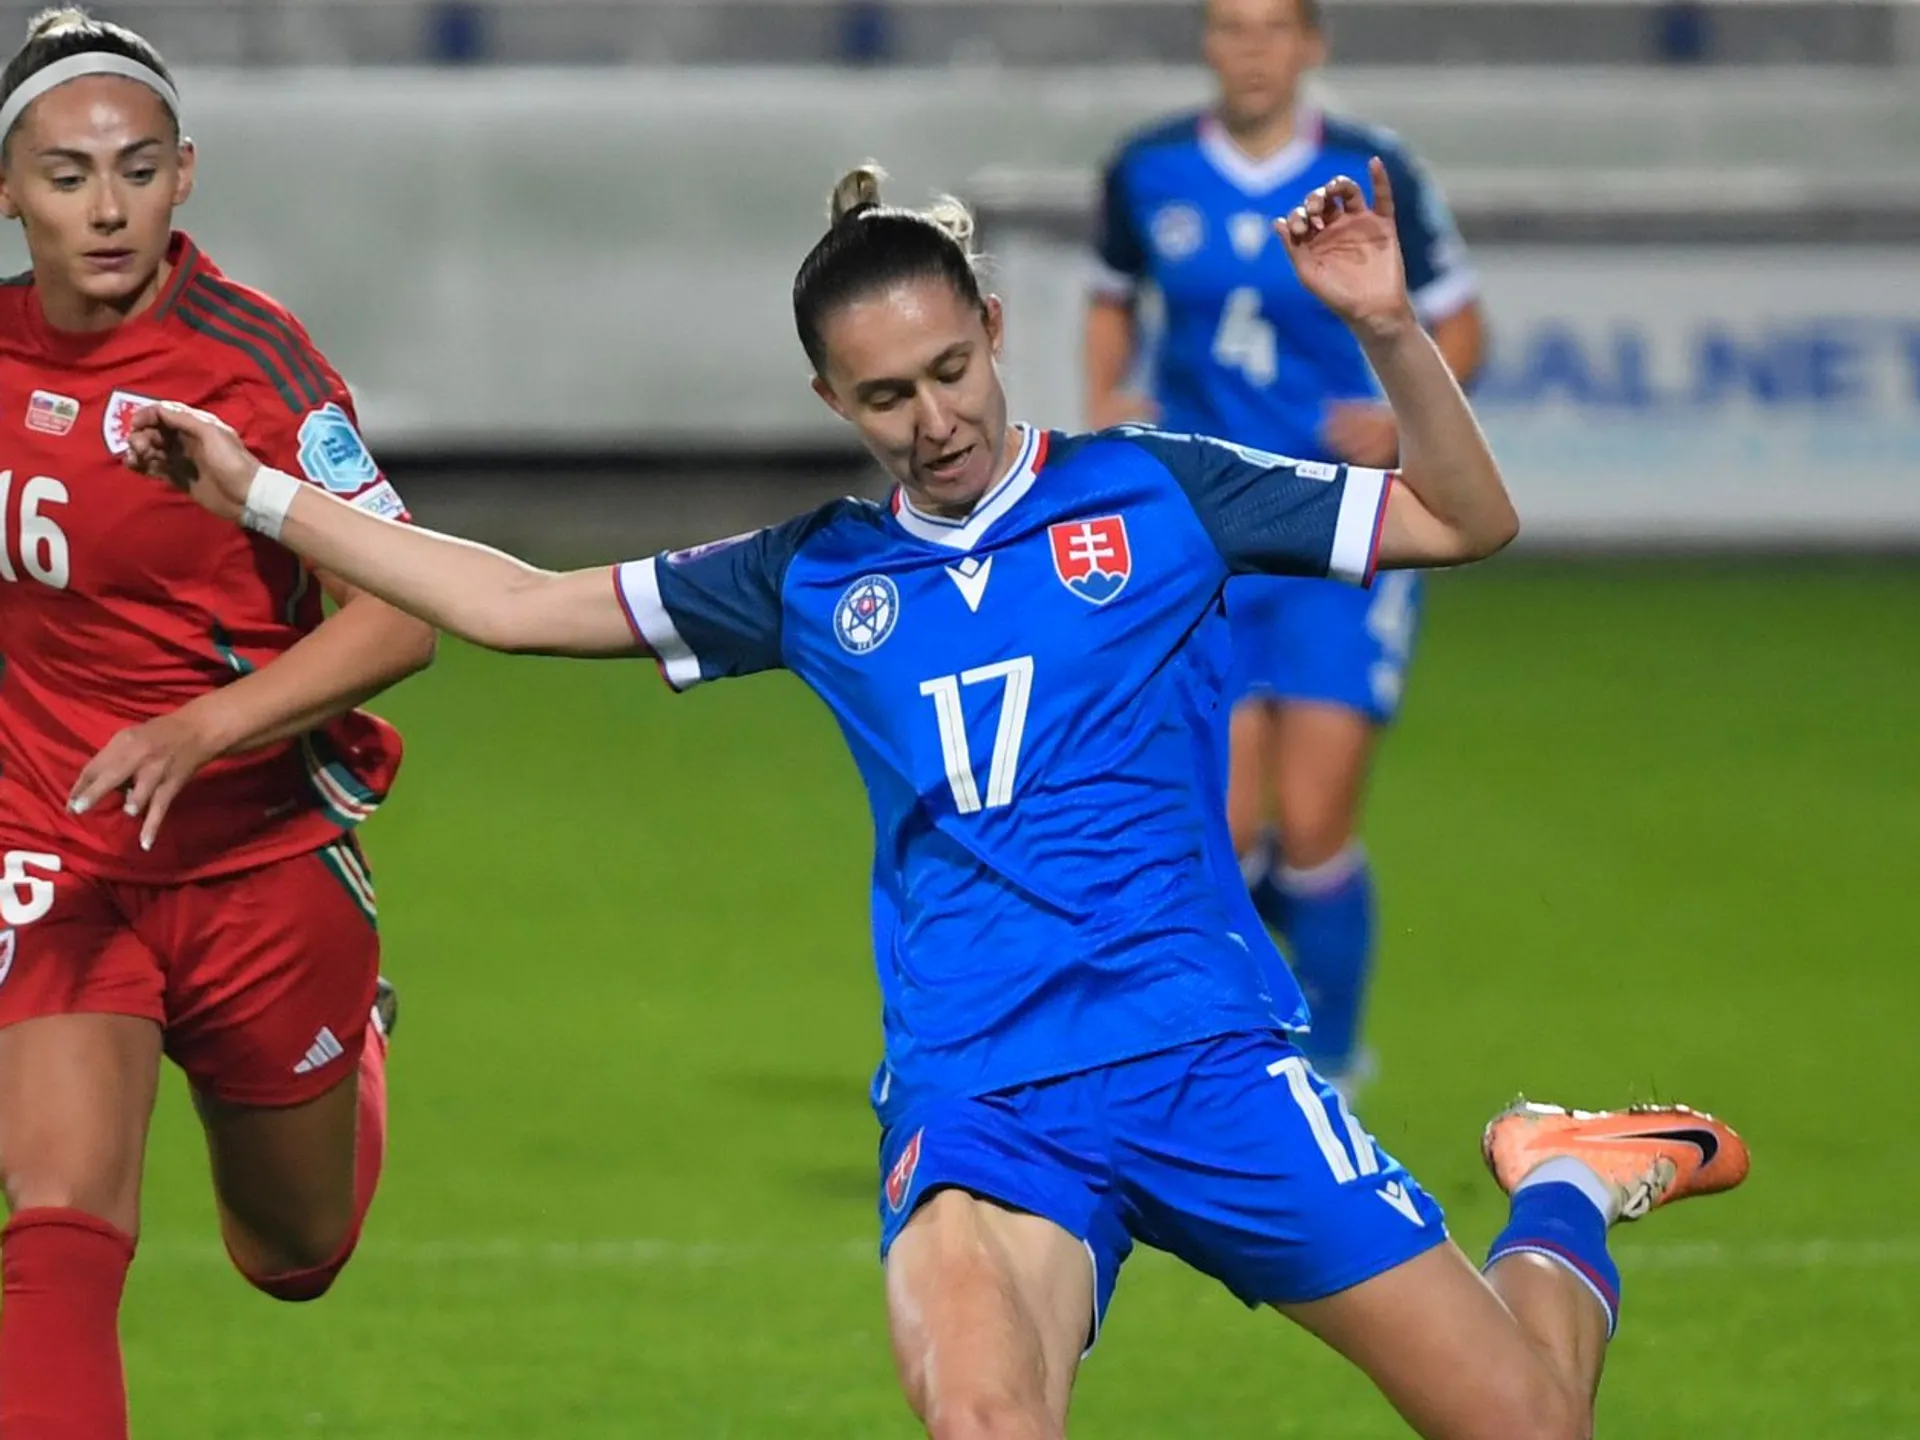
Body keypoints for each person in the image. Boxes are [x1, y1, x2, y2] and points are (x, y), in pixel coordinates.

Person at [129, 160, 1749, 1440]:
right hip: (984, 1102)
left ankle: (1560, 1178)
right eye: (890, 395)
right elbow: (511, 602)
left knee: (1526, 1421)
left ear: (992, 321)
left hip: (1207, 1057)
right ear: (837, 406)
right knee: (983, 1416)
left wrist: (1389, 329)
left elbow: (1469, 520)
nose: (938, 418)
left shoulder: (1159, 489)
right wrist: (262, 491)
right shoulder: (818, 578)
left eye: (953, 368)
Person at [0, 10, 434, 1437]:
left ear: (186, 174)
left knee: (291, 1254)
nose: (105, 206)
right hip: (52, 845)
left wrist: (204, 730)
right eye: (65, 175)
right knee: (61, 1218)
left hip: (252, 849)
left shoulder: (252, 365)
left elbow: (400, 613)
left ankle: (353, 1037)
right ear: (9, 189)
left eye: (134, 168)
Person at [1086, 0, 1487, 1094]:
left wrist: (1403, 419)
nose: (1248, 49)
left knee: (1311, 824)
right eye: (1228, 27)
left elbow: (1460, 322)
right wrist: (1109, 393)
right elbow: (1111, 301)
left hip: (1338, 529)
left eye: (1271, 28)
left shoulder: (1371, 167)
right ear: (1207, 44)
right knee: (1225, 821)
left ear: (1312, 44)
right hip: (1204, 535)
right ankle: (1241, 1048)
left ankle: (1335, 1061)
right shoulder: (1149, 168)